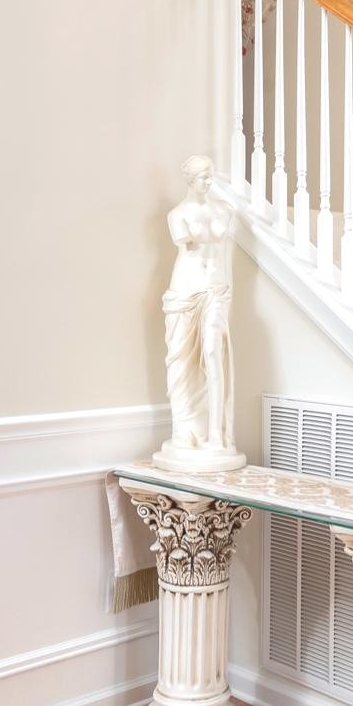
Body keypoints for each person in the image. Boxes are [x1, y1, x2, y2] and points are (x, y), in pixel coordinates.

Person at [153, 156, 245, 471]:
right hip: (185, 290)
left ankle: (217, 434)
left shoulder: (225, 211)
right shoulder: (176, 215)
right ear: (190, 180)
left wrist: (228, 292)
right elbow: (186, 247)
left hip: (217, 290)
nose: (209, 182)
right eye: (203, 177)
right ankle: (185, 430)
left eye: (210, 177)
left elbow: (228, 256)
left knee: (213, 351)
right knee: (181, 364)